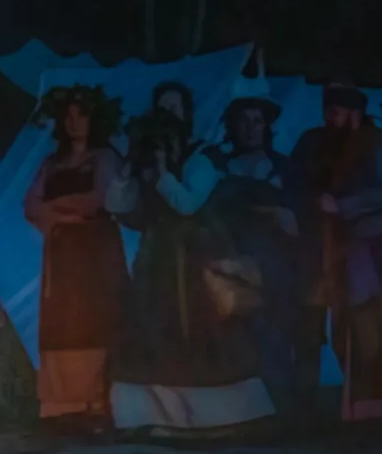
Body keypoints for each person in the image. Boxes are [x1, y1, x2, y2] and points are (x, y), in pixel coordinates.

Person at [111, 82, 275, 435]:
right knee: (152, 334)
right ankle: (153, 417)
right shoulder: (147, 157)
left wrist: (163, 172)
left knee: (203, 337)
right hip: (156, 261)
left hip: (194, 260)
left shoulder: (203, 155)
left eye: (175, 108)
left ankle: (219, 418)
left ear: (187, 114)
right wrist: (129, 168)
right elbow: (119, 207)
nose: (168, 115)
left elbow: (189, 203)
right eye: (163, 107)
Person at [310, 85, 382, 422]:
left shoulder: (377, 144)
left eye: (336, 111)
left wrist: (342, 205)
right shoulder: (341, 148)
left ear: (355, 112)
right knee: (376, 342)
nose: (329, 117)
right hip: (362, 257)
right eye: (327, 110)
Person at [24, 85, 129, 428]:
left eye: (80, 115)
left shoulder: (103, 157)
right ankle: (62, 404)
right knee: (62, 321)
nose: (73, 123)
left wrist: (54, 209)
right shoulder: (52, 162)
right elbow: (30, 204)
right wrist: (62, 214)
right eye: (67, 117)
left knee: (95, 318)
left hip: (95, 250)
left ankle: (97, 401)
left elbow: (96, 200)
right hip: (62, 251)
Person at [207, 86, 300, 417]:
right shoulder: (217, 168)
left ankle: (281, 411)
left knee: (273, 336)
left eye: (256, 121)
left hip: (273, 266)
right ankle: (242, 415)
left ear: (265, 126)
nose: (250, 127)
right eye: (242, 121)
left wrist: (272, 212)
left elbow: (297, 221)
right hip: (229, 262)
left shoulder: (284, 168)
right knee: (235, 338)